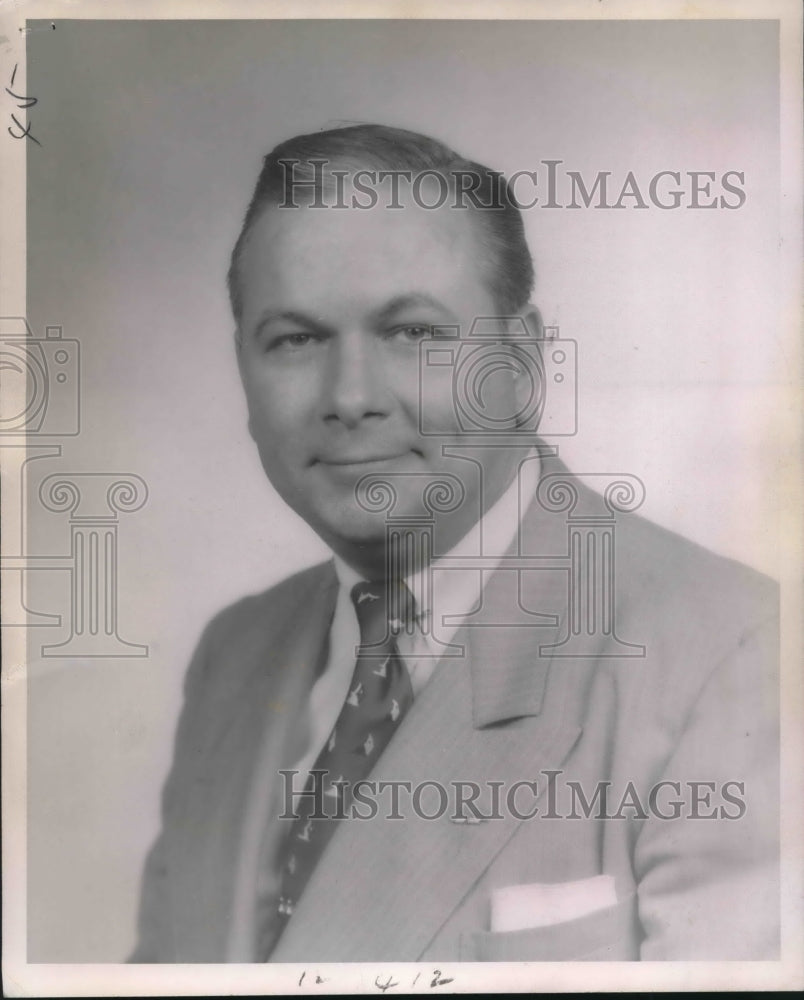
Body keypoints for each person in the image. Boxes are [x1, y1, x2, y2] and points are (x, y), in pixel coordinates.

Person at [131, 124, 779, 963]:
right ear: (245, 372)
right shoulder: (235, 656)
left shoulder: (737, 653)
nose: (350, 397)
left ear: (523, 362)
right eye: (296, 339)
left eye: (413, 333)